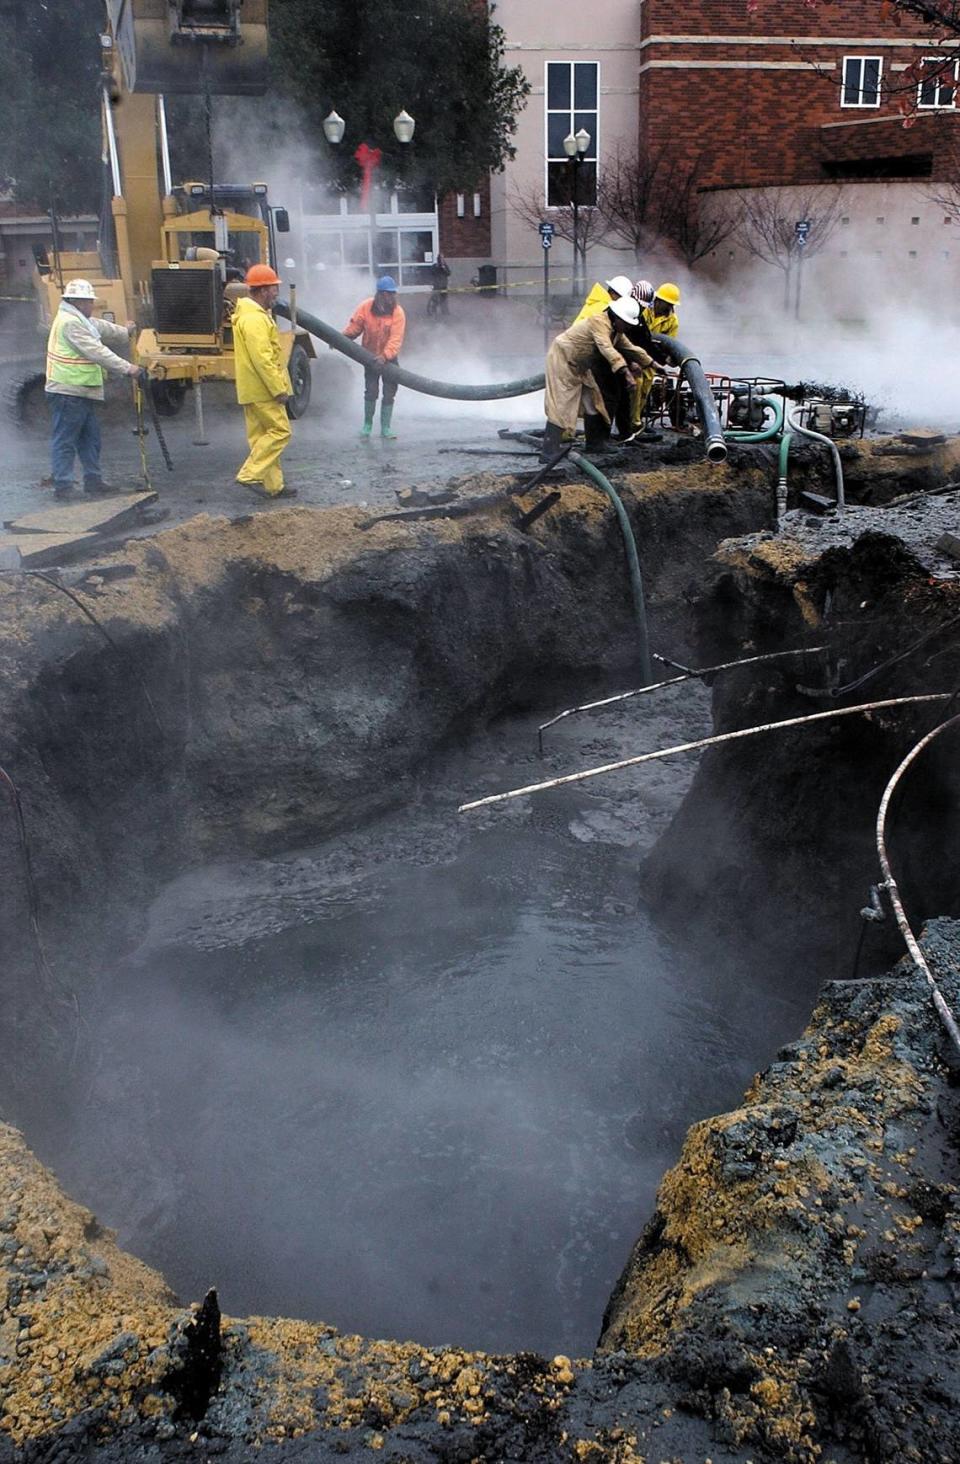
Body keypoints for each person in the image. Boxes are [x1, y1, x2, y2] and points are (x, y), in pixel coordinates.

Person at [44, 278, 141, 499]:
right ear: (77, 301)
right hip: (67, 391)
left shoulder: (79, 318)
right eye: (89, 302)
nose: (92, 305)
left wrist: (124, 332)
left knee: (90, 439)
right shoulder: (71, 323)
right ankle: (64, 486)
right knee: (66, 440)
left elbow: (100, 326)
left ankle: (93, 480)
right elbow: (97, 351)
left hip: (81, 390)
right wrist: (128, 368)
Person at [541, 296, 653, 460]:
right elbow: (607, 349)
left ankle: (594, 444)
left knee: (593, 401)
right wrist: (626, 372)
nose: (628, 327)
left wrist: (652, 363)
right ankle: (548, 451)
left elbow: (630, 348)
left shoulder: (614, 331)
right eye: (627, 323)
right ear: (617, 317)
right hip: (564, 359)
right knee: (562, 404)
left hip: (580, 365)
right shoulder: (599, 323)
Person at [232, 262, 296, 500]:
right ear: (261, 290)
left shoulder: (250, 316)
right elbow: (264, 359)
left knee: (262, 437)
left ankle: (273, 486)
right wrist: (278, 389)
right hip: (263, 390)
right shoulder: (255, 320)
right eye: (273, 288)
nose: (276, 293)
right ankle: (249, 474)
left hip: (252, 389)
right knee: (281, 431)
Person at [343, 276, 406, 439]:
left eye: (392, 294)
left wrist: (385, 356)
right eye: (387, 294)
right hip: (369, 357)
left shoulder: (398, 313)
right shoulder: (365, 307)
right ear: (380, 294)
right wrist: (342, 338)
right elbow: (355, 327)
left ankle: (386, 428)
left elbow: (395, 339)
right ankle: (367, 425)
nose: (390, 298)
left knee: (389, 391)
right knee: (371, 391)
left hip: (389, 359)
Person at [629, 282, 681, 439]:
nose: (669, 308)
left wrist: (669, 358)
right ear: (658, 300)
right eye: (667, 304)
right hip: (636, 355)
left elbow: (670, 344)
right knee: (635, 387)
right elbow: (639, 338)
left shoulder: (672, 321)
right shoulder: (644, 311)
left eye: (672, 305)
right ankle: (632, 424)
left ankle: (637, 422)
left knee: (645, 389)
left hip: (652, 359)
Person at [428, 253, 451, 318]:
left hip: (444, 285)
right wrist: (437, 267)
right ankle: (433, 311)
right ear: (438, 259)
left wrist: (444, 268)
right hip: (436, 285)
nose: (442, 260)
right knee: (435, 298)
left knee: (444, 299)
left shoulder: (445, 266)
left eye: (443, 258)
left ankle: (445, 311)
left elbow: (449, 273)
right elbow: (431, 273)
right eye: (440, 258)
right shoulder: (434, 266)